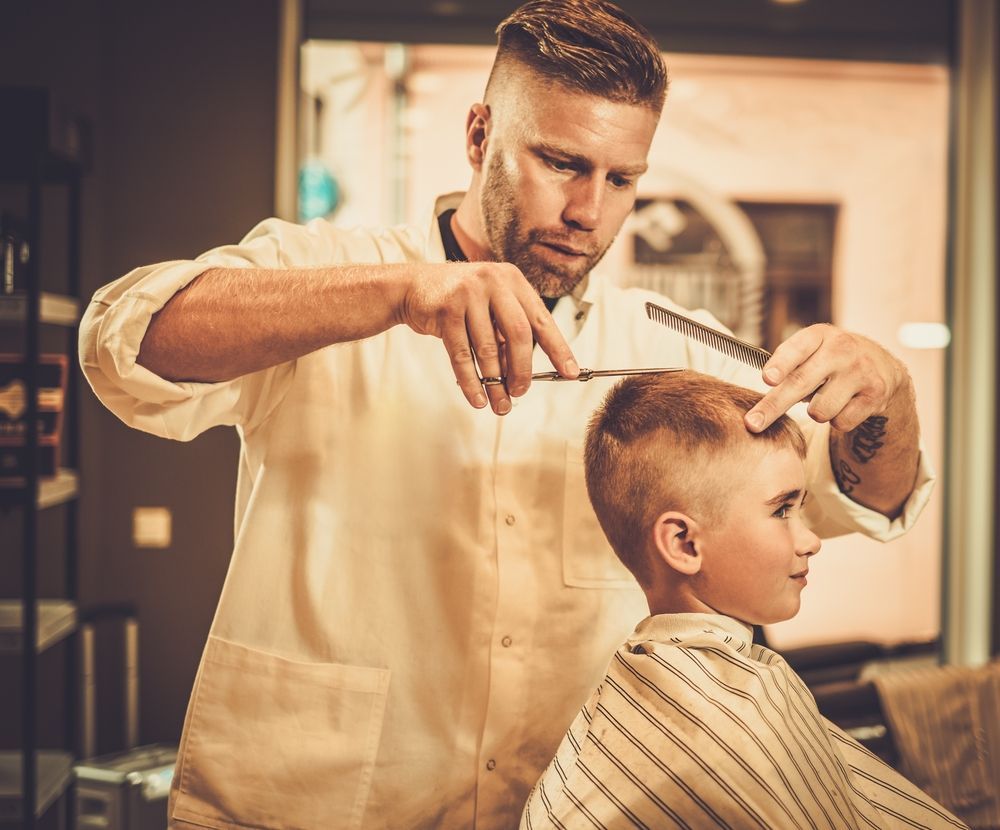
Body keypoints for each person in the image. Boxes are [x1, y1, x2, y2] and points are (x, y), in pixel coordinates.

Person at [79, 1, 933, 827]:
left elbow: (856, 498)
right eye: (562, 163)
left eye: (621, 178)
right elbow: (123, 342)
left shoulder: (671, 350)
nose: (588, 213)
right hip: (319, 799)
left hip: (567, 803)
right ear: (480, 135)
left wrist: (884, 402)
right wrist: (402, 293)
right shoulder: (334, 271)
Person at [521, 371, 963, 830]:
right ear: (684, 544)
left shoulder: (651, 684)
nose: (810, 539)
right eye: (782, 510)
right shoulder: (723, 732)